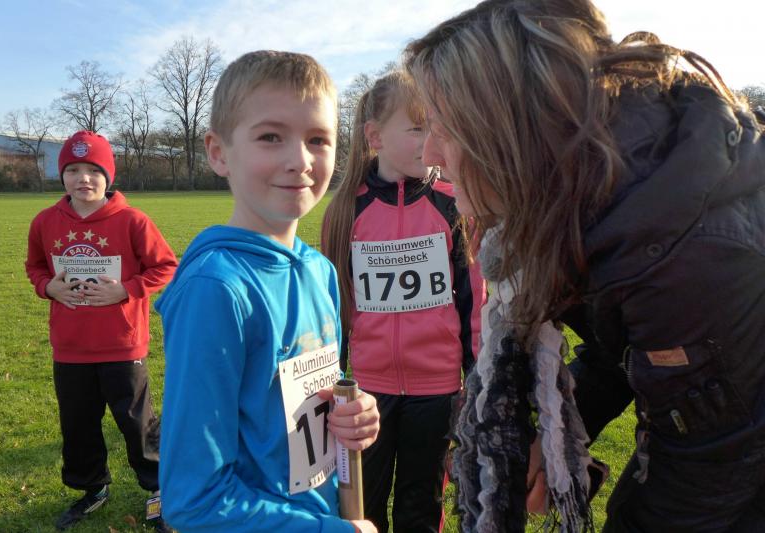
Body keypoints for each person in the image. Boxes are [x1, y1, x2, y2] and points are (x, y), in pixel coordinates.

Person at [404, 0, 765, 531]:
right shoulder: (598, 199)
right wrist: (555, 436)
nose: (429, 154)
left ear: (511, 128)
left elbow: (710, 468)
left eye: (445, 127)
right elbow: (619, 347)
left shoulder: (685, 248)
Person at [155, 50, 380, 533]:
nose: (300, 161)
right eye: (271, 137)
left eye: (318, 139)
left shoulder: (320, 270)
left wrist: (351, 413)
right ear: (218, 152)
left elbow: (303, 402)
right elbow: (195, 501)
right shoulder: (215, 290)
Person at [321, 71, 485, 532]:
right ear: (375, 137)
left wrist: (477, 378)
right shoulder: (346, 211)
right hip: (366, 392)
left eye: (436, 127)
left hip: (437, 390)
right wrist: (333, 382)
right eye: (417, 128)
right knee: (362, 508)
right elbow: (333, 309)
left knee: (420, 507)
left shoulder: (453, 205)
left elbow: (473, 302)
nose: (429, 141)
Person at [25, 130, 178, 532]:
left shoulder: (133, 220)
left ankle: (160, 487)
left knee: (137, 422)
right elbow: (35, 266)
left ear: (108, 176)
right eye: (73, 170)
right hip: (70, 346)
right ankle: (92, 487)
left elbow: (165, 266)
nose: (83, 179)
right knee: (78, 423)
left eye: (93, 170)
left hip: (122, 345)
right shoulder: (45, 222)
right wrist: (48, 287)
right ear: (62, 175)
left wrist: (125, 290)